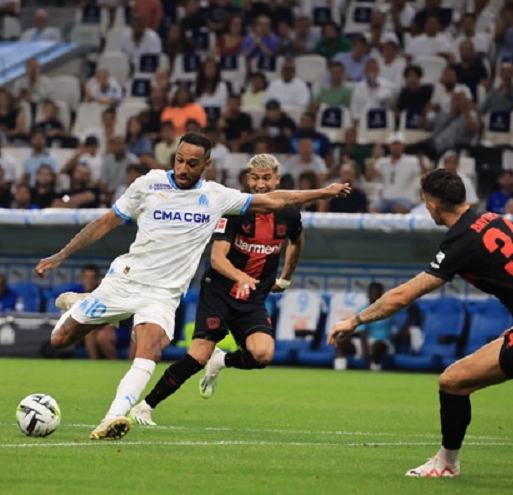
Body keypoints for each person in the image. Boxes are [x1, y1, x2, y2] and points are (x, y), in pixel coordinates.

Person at [34, 132, 351, 440]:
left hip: (162, 294)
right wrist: (62, 254)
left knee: (149, 351)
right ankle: (81, 304)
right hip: (124, 280)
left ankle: (113, 417)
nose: (183, 169)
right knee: (59, 340)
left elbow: (275, 201)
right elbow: (105, 222)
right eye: (179, 161)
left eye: (192, 164)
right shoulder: (148, 184)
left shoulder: (217, 196)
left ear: (207, 165)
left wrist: (324, 192)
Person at [328, 168, 513, 478]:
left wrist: (355, 320)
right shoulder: (493, 219)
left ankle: (446, 463)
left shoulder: (461, 241)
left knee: (453, 382)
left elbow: (406, 293)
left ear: (431, 205)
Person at [129, 154, 304, 425]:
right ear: (248, 180)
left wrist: (286, 278)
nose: (260, 184)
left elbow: (297, 242)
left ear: (277, 179)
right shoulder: (235, 209)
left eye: (266, 178)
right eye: (255, 178)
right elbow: (217, 259)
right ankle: (146, 406)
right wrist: (241, 277)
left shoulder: (289, 214)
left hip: (253, 298)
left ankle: (222, 360)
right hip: (220, 292)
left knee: (263, 354)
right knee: (198, 355)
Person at [333, 282, 392, 371]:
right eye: (372, 292)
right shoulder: (362, 310)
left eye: (377, 293)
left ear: (381, 294)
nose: (374, 295)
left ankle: (374, 371)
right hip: (364, 343)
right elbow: (362, 333)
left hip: (382, 343)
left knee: (377, 346)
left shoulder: (389, 310)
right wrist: (366, 354)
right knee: (341, 342)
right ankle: (339, 371)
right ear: (368, 294)